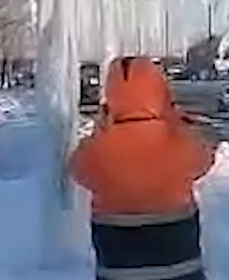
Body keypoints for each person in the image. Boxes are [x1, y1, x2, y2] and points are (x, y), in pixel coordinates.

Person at [69, 56, 215, 280]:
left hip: (119, 270)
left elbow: (77, 169)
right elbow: (205, 160)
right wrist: (174, 120)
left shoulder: (98, 148)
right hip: (179, 268)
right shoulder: (177, 140)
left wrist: (101, 129)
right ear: (160, 91)